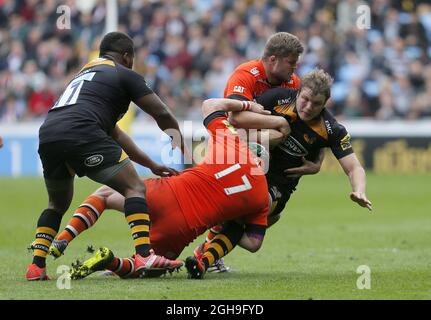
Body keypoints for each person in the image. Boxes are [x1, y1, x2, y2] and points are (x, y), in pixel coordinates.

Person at [51, 98, 275, 280]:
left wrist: (249, 106)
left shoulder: (233, 144)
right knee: (144, 269)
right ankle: (112, 261)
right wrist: (226, 223)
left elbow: (210, 105)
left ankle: (63, 237)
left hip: (168, 192)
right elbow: (254, 243)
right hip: (181, 228)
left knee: (106, 194)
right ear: (263, 166)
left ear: (248, 147)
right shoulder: (261, 197)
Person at [26, 32, 185, 281]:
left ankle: (36, 266)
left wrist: (152, 164)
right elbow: (162, 112)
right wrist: (179, 140)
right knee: (134, 187)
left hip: (49, 134)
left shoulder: (84, 76)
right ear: (126, 56)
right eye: (131, 58)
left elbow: (117, 136)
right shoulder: (124, 74)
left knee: (56, 204)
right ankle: (144, 255)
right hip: (82, 132)